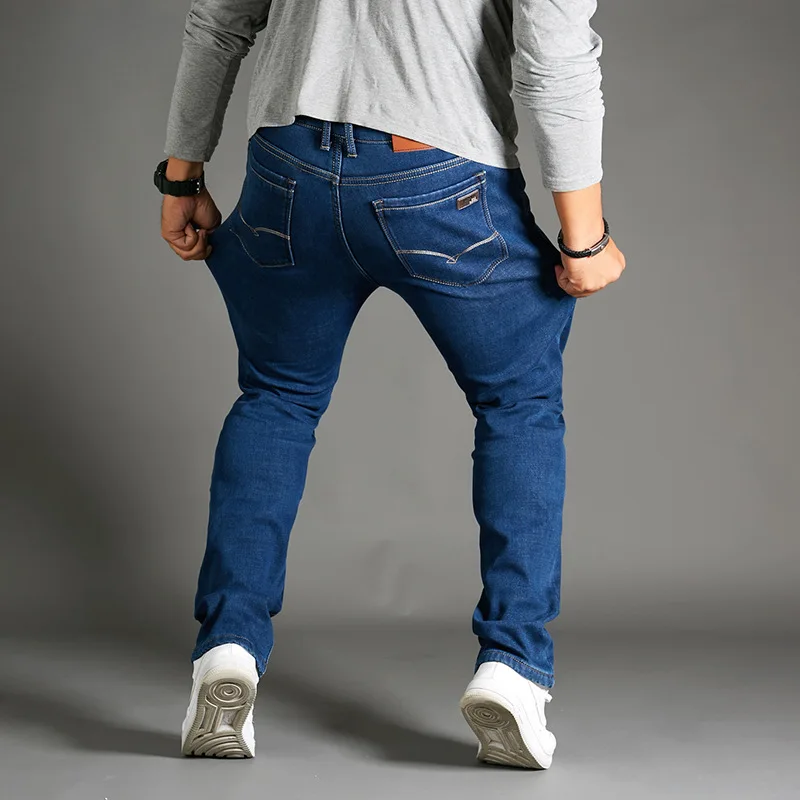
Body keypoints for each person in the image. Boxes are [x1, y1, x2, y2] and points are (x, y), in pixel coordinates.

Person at [155, 0, 626, 768]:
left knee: (276, 397)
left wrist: (181, 175)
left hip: (286, 166)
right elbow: (554, 56)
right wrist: (586, 237)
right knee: (518, 403)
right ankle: (512, 668)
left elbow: (219, 18)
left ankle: (228, 649)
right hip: (438, 170)